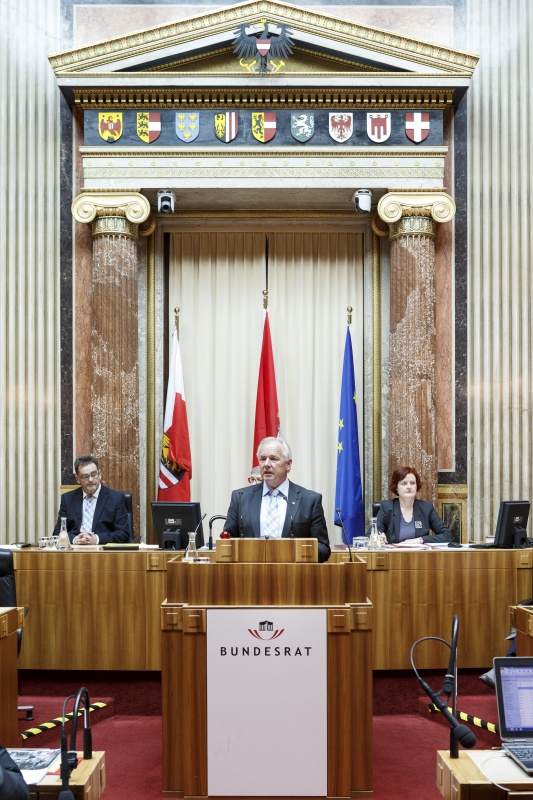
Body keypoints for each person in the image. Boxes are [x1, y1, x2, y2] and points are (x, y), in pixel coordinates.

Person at [225, 437, 331, 562]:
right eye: (263, 459)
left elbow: (323, 549)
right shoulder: (241, 498)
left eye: (273, 459)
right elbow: (227, 544)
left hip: (294, 577)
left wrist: (291, 548)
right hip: (250, 575)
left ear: (288, 464)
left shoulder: (310, 500)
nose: (266, 464)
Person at [52, 455, 130, 545]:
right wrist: (74, 540)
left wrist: (96, 539)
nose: (90, 479)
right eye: (85, 476)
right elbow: (58, 532)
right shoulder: (67, 499)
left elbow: (123, 533)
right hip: (75, 551)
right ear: (77, 479)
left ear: (99, 474)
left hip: (102, 552)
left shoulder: (116, 498)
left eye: (94, 474)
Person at [376, 466, 452, 544]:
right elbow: (370, 535)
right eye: (404, 483)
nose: (409, 487)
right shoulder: (387, 507)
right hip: (394, 555)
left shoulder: (426, 508)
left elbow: (447, 535)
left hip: (419, 556)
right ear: (396, 488)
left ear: (416, 486)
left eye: (412, 483)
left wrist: (420, 540)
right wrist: (377, 538)